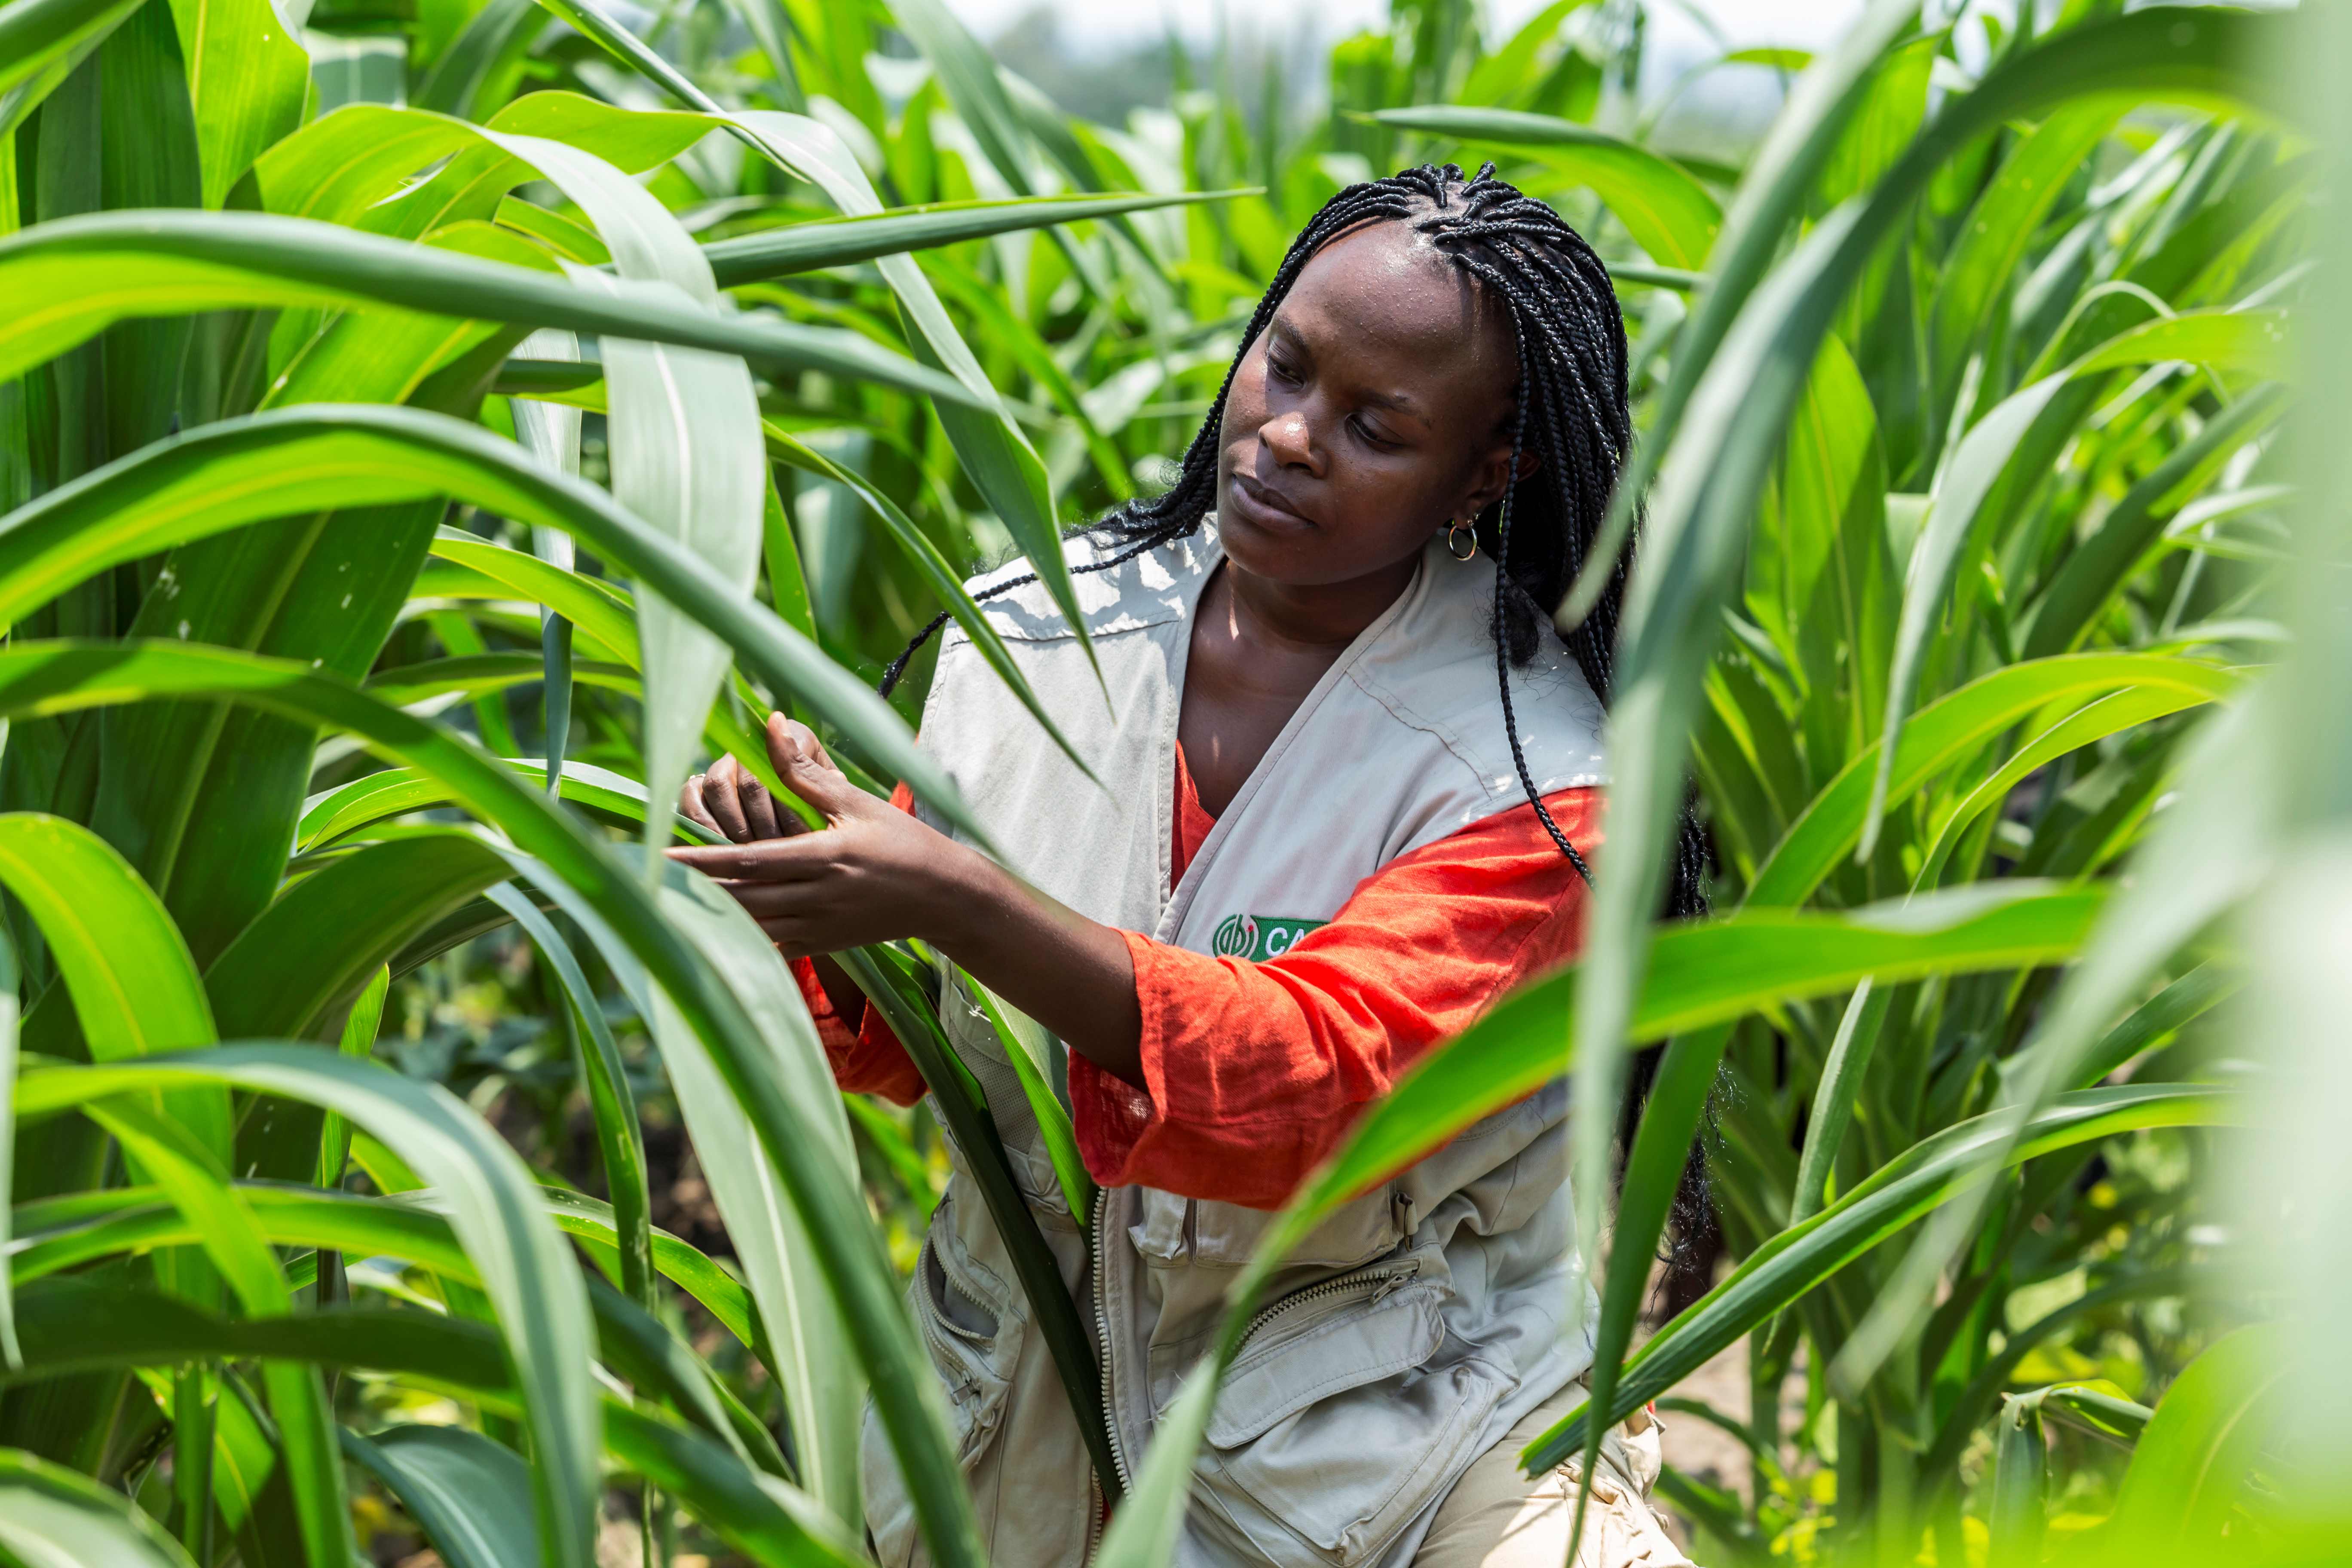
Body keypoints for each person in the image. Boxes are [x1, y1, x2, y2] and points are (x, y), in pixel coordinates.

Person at [671, 163, 1701, 1568]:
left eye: (1374, 427)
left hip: (1396, 1452)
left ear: (1486, 476)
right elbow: (896, 1034)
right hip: (1006, 1419)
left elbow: (1317, 1089)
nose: (1286, 436)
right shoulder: (1037, 636)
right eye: (1284, 365)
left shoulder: (1534, 780)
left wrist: (955, 897)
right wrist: (809, 895)